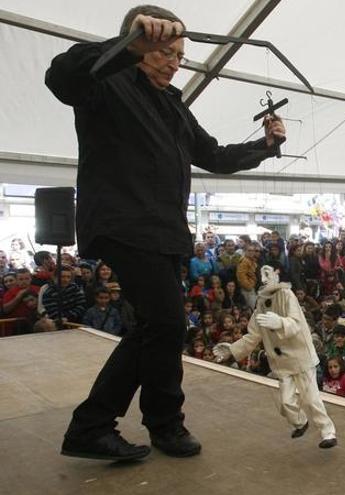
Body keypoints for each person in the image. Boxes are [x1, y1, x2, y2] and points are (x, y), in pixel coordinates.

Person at [52, 5, 287, 461]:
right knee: (166, 322)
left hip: (165, 233)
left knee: (153, 328)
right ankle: (129, 423)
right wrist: (124, 47)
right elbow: (61, 77)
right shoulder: (106, 80)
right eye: (164, 51)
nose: (175, 61)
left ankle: (132, 425)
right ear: (136, 43)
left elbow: (214, 155)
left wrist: (266, 146)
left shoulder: (173, 104)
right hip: (124, 225)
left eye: (180, 54)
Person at [214, 266, 336, 448]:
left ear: (277, 275)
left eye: (267, 274)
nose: (263, 279)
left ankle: (328, 433)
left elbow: (296, 324)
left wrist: (279, 322)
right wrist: (232, 351)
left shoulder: (288, 296)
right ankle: (300, 423)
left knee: (311, 398)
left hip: (300, 358)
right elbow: (253, 336)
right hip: (281, 362)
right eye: (261, 275)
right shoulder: (260, 304)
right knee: (286, 402)